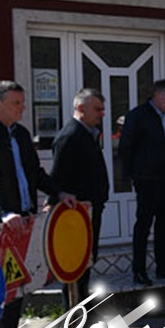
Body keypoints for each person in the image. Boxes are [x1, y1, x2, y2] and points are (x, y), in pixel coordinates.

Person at [0, 80, 76, 328]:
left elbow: (35, 173)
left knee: (16, 285)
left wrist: (59, 193)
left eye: (23, 102)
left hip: (21, 219)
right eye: (16, 103)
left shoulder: (21, 134)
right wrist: (4, 212)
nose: (22, 108)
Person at [119, 79, 165, 287]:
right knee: (144, 224)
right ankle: (139, 270)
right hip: (147, 179)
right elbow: (126, 147)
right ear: (157, 95)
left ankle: (163, 265)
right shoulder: (138, 116)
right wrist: (130, 175)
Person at [51, 88, 109, 308]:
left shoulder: (89, 133)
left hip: (91, 209)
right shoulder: (70, 136)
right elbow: (58, 178)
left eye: (103, 109)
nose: (102, 113)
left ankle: (82, 306)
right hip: (75, 213)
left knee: (86, 260)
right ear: (81, 108)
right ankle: (73, 313)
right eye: (97, 109)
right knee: (74, 262)